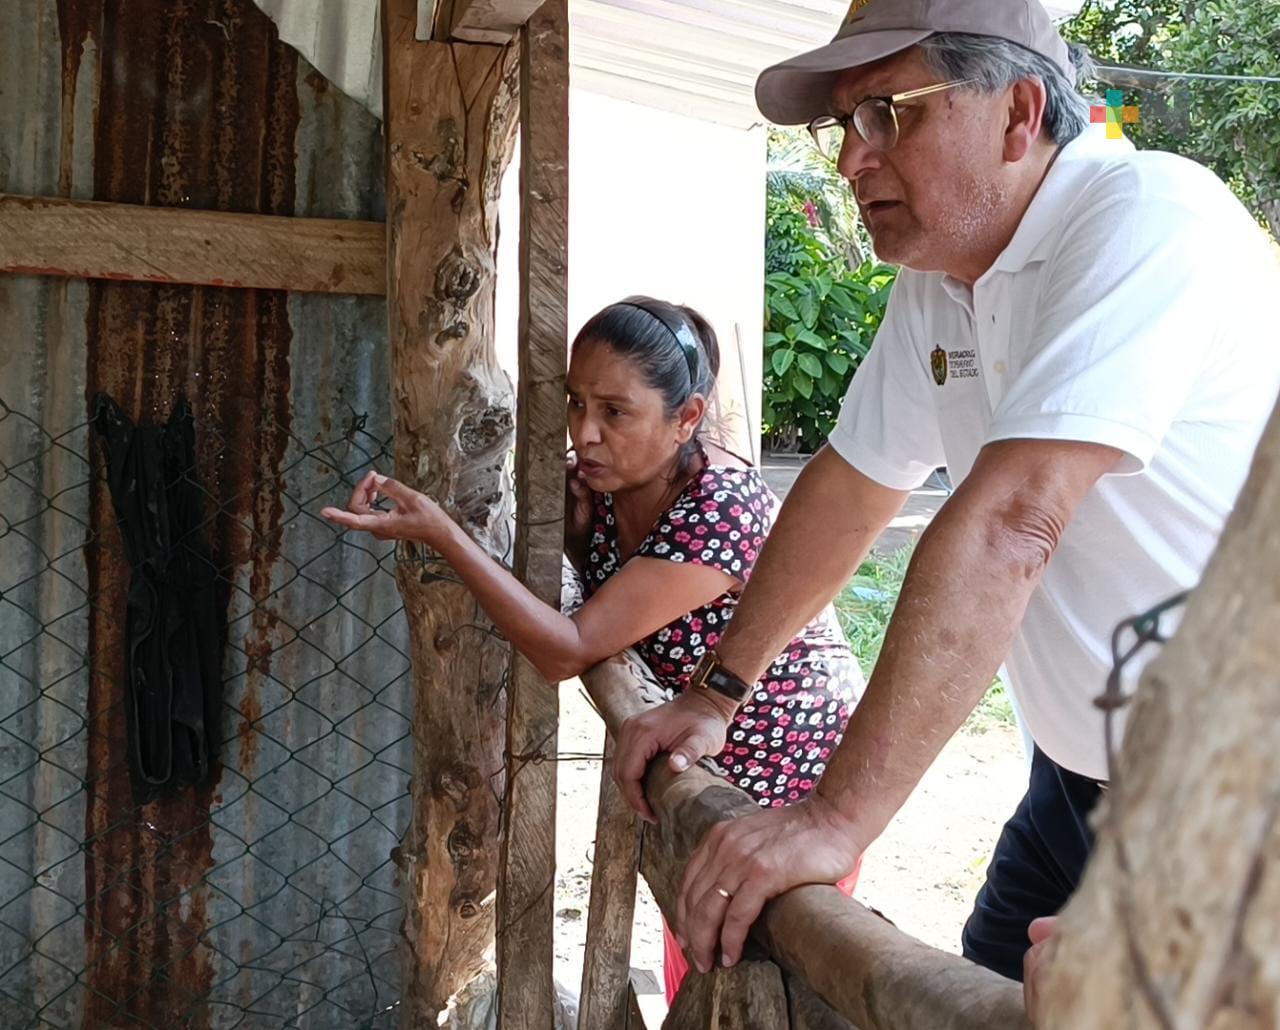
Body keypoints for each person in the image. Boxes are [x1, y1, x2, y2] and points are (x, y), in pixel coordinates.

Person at [610, 0, 1280, 1017]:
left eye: (888, 112)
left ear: (1016, 113)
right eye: (842, 124)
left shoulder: (1147, 217)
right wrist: (716, 692)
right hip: (1078, 781)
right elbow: (849, 485)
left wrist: (833, 815)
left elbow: (1014, 519)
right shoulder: (943, 278)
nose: (849, 161)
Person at [320, 296, 865, 1002]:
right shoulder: (613, 489)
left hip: (791, 773)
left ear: (688, 419)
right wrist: (577, 538)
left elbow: (565, 650)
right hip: (709, 768)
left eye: (615, 411)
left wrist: (442, 532)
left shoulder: (719, 508)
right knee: (704, 971)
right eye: (576, 403)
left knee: (768, 984)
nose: (585, 433)